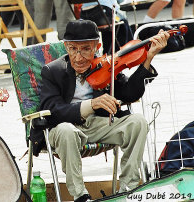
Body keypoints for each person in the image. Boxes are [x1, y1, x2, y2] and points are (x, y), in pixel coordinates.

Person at [32, 19, 169, 202]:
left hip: (99, 126)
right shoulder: (52, 71)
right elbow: (52, 109)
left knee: (138, 122)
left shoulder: (106, 65)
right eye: (73, 49)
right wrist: (92, 104)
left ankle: (129, 187)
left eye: (86, 49)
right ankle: (80, 195)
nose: (79, 57)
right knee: (66, 131)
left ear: (97, 46)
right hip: (64, 128)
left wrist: (148, 58)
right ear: (66, 47)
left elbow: (129, 92)